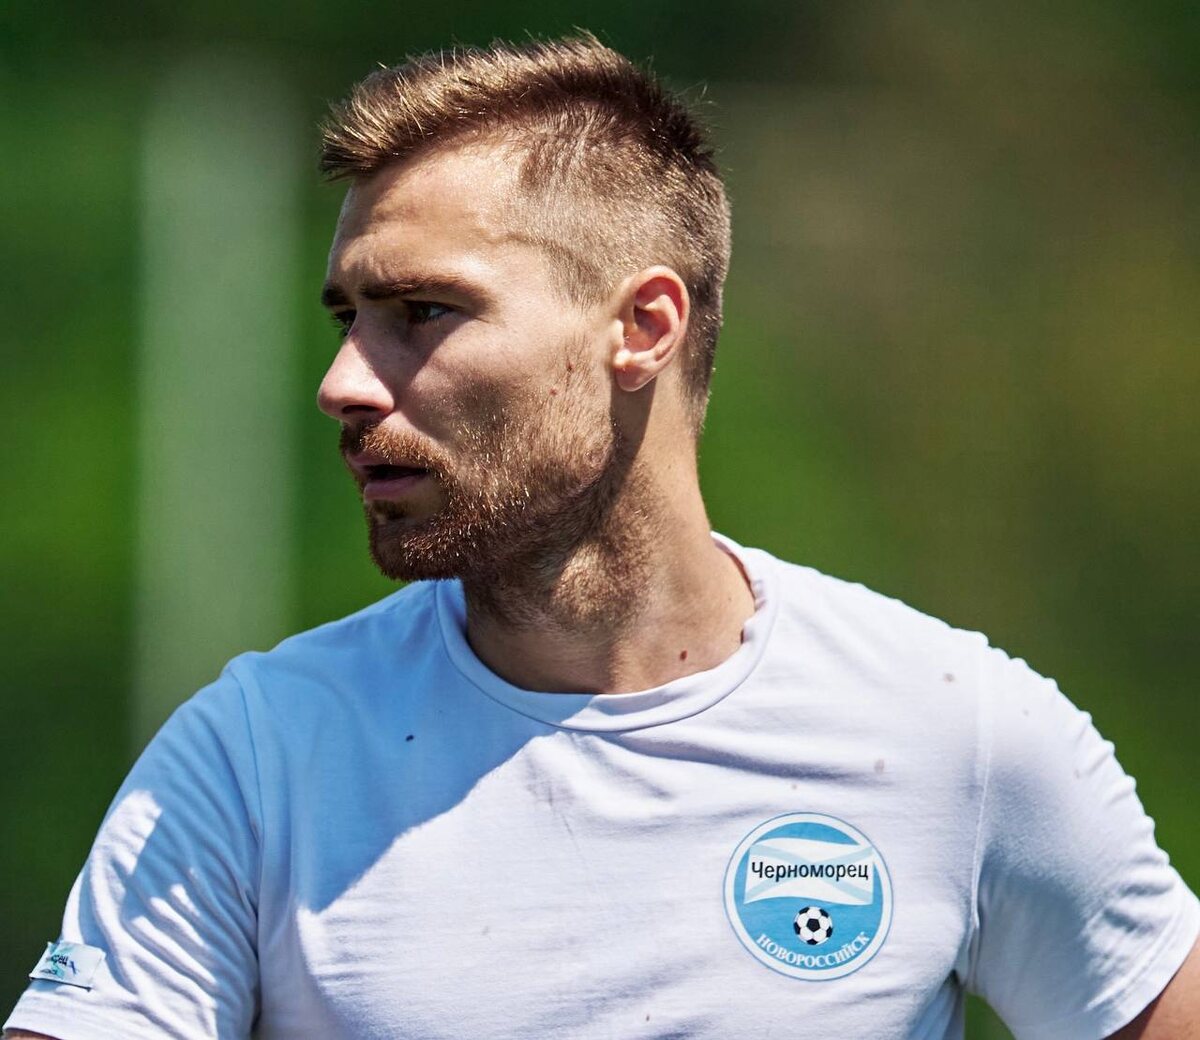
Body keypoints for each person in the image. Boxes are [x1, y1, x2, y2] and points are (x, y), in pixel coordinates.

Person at [5, 33, 1198, 1040]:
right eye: (347, 317)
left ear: (642, 326)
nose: (343, 383)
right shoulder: (257, 756)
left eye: (422, 311)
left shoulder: (957, 733)